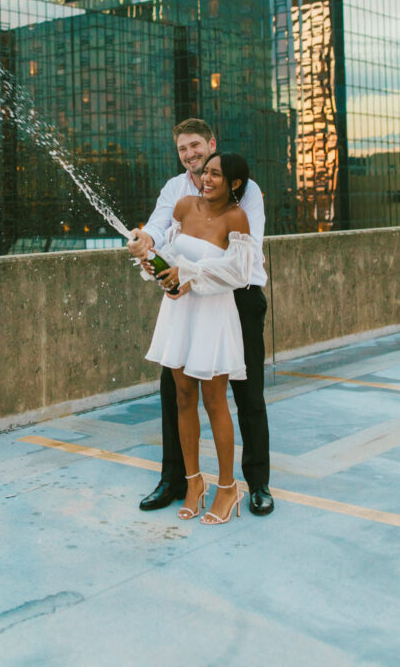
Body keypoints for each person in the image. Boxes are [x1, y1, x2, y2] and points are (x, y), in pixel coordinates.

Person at [128, 118, 274, 516]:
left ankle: (256, 483)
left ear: (211, 144)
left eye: (196, 146)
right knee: (177, 394)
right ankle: (176, 480)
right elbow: (160, 229)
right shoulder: (176, 190)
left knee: (246, 394)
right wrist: (146, 245)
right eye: (183, 149)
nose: (191, 155)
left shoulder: (247, 193)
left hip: (237, 300)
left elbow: (243, 258)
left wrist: (190, 275)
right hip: (185, 306)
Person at [144, 152, 252, 524]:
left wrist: (188, 275)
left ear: (234, 184)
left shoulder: (236, 218)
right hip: (179, 312)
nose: (206, 178)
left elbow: (239, 272)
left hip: (212, 315)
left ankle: (227, 488)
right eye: (206, 171)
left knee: (215, 400)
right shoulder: (184, 206)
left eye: (216, 174)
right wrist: (155, 263)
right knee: (183, 395)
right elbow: (168, 252)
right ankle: (194, 483)